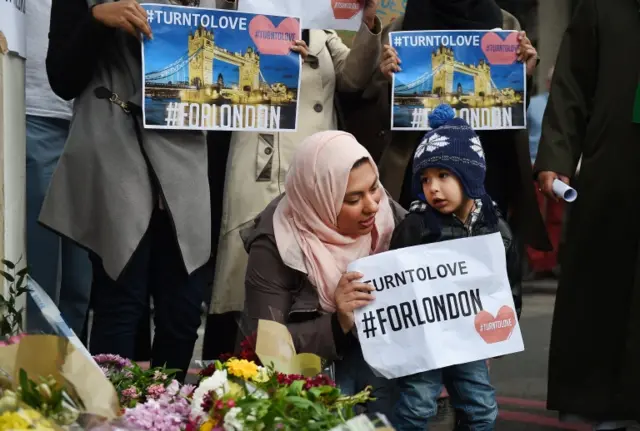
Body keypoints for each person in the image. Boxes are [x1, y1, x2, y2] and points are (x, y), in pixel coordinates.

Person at [203, 0, 383, 360]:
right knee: (249, 273)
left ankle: (310, 368)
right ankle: (235, 375)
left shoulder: (322, 32)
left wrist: (370, 20)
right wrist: (271, 57)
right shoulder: (240, 22)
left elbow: (353, 77)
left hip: (321, 179)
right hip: (262, 170)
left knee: (313, 276)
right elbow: (216, 74)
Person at [43, 0, 210, 380]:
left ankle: (167, 410)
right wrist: (98, 20)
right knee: (121, 301)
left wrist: (279, 54)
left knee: (183, 309)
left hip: (186, 152)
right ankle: (115, 414)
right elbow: (62, 79)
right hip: (114, 146)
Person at [353, 0, 551, 257]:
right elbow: (381, 119)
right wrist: (393, 84)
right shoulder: (399, 30)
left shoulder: (506, 26)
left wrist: (521, 77)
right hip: (418, 180)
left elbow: (510, 116)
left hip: (490, 178)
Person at [239, 131, 405, 417]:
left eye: (373, 187)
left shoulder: (389, 217)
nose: (373, 205)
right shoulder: (276, 242)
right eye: (353, 199)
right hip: (317, 374)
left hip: (382, 365)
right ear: (321, 199)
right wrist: (337, 322)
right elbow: (262, 347)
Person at [534, 0, 640, 428]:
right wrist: (556, 155)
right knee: (607, 282)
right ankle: (606, 403)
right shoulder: (605, 7)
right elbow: (571, 83)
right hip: (616, 166)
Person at [388, 105, 521, 430]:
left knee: (482, 409)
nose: (432, 187)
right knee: (417, 406)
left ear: (471, 175)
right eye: (425, 178)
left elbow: (509, 281)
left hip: (470, 337)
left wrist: (506, 326)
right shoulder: (414, 226)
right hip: (424, 337)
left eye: (443, 176)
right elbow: (393, 285)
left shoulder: (495, 227)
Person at [25, 0, 92, 339]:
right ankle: (35, 382)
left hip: (93, 120)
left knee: (80, 279)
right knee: (40, 270)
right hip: (31, 112)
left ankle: (70, 375)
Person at [526, 66, 563, 278]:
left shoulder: (569, 108)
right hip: (534, 164)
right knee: (536, 215)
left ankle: (550, 263)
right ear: (549, 83)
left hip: (561, 168)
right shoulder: (535, 104)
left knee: (556, 217)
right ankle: (536, 263)